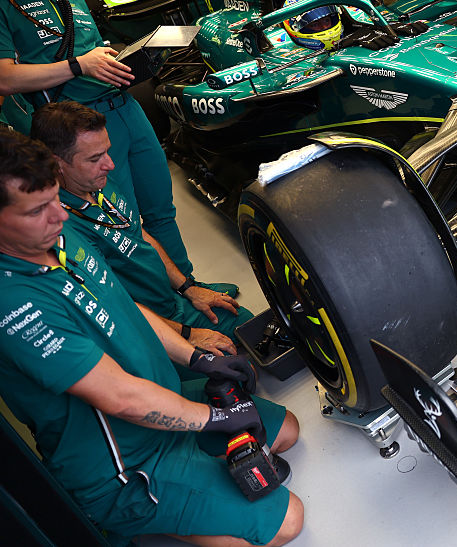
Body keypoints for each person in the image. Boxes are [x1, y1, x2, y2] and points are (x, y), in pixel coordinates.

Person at [0, 130, 303, 546]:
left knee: (287, 431)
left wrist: (198, 358)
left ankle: (191, 484)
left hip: (162, 399)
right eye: (38, 210)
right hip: (123, 461)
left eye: (55, 198)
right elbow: (120, 398)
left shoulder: (57, 238)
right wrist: (216, 419)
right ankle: (133, 518)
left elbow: (124, 305)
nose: (60, 216)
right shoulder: (14, 304)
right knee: (287, 522)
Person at [0, 0, 199, 285]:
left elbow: (92, 54)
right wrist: (78, 65)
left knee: (161, 207)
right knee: (122, 224)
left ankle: (190, 285)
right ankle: (162, 301)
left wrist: (120, 61)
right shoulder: (4, 3)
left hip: (123, 108)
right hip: (75, 132)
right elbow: (5, 78)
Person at [31, 102, 250, 358]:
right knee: (234, 367)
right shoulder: (63, 229)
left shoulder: (95, 181)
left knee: (248, 324)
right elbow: (116, 308)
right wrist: (188, 334)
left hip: (171, 303)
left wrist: (188, 287)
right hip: (148, 333)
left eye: (106, 152)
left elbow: (139, 234)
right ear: (56, 164)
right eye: (94, 158)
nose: (110, 165)